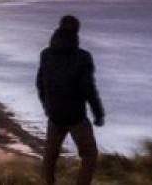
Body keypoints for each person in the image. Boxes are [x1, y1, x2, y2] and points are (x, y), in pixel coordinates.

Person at [36, 14, 104, 185]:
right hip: (76, 116)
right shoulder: (83, 57)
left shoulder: (46, 54)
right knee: (89, 154)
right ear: (77, 32)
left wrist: (47, 106)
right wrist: (98, 114)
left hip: (55, 114)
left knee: (50, 156)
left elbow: (40, 84)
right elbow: (89, 88)